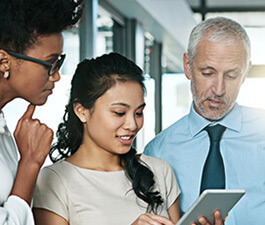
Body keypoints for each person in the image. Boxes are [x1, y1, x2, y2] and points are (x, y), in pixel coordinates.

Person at [144, 17, 265, 225]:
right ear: (187, 66)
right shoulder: (158, 151)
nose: (219, 90)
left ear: (245, 73)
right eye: (207, 73)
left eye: (231, 76)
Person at [32, 53, 182, 225]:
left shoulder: (159, 171)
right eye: (119, 112)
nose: (132, 124)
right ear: (81, 111)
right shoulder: (54, 180)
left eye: (139, 113)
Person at [0, 0, 83, 224]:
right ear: (4, 61)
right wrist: (30, 163)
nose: (56, 76)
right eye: (51, 63)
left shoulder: (4, 127)